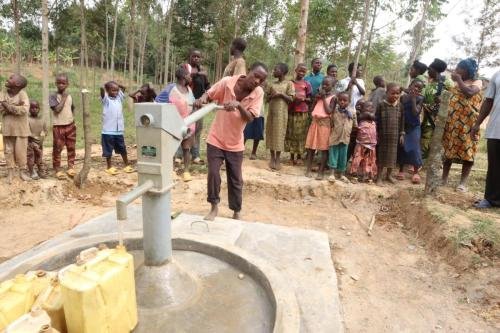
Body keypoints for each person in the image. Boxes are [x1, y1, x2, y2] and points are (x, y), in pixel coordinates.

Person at [195, 62, 268, 221]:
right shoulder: (228, 82)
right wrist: (202, 98)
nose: (257, 81)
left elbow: (249, 118)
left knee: (236, 179)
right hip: (216, 138)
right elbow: (210, 94)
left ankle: (236, 210)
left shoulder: (258, 93)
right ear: (248, 71)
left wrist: (238, 106)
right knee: (213, 174)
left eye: (261, 80)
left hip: (235, 143)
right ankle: (214, 207)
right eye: (256, 76)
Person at [442, 58, 483, 192]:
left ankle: (463, 183)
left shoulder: (477, 82)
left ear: (466, 70)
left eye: (459, 68)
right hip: (453, 123)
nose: (456, 70)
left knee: (468, 152)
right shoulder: (457, 84)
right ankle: (444, 179)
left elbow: (469, 93)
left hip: (469, 125)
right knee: (449, 151)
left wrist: (458, 80)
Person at [471, 70, 500, 208]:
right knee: (494, 166)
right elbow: (488, 101)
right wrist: (477, 124)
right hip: (496, 127)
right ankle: (491, 199)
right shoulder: (497, 75)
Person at [0, 74, 30, 183]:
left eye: (11, 78)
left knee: (21, 151)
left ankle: (22, 171)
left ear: (17, 84)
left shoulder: (23, 94)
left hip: (21, 129)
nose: (7, 78)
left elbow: (24, 110)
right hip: (8, 128)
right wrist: (14, 107)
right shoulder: (3, 93)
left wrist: (7, 106)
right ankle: (10, 172)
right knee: (8, 151)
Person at [305, 76, 336, 180]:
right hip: (315, 123)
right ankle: (308, 169)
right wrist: (316, 99)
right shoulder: (319, 96)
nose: (324, 86)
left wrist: (323, 99)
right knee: (311, 148)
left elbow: (329, 111)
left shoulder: (333, 97)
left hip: (324, 125)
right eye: (323, 84)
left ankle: (321, 172)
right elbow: (311, 109)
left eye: (327, 84)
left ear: (332, 86)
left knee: (324, 149)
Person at [100, 81, 134, 175]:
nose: (115, 92)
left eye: (117, 90)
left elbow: (124, 87)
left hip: (119, 131)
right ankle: (109, 167)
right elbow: (102, 92)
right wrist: (104, 87)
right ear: (108, 90)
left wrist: (117, 85)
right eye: (113, 90)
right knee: (108, 150)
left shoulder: (119, 98)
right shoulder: (106, 100)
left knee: (122, 148)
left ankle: (127, 165)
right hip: (108, 131)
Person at [265, 63, 295, 170]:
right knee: (271, 133)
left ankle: (278, 158)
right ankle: (272, 157)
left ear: (282, 72)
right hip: (272, 112)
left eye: (276, 69)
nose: (273, 71)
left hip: (282, 114)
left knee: (279, 134)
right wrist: (272, 96)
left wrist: (281, 95)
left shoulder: (289, 84)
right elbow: (267, 99)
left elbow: (291, 99)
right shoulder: (271, 83)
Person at [183, 49, 211, 164]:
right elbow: (183, 80)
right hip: (184, 105)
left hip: (198, 106)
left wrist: (205, 97)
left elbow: (208, 87)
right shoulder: (184, 68)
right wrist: (198, 74)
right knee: (183, 130)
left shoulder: (203, 73)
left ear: (201, 59)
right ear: (190, 57)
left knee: (197, 130)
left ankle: (195, 155)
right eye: (194, 56)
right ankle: (180, 155)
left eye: (198, 57)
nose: (196, 58)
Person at [169, 67, 196, 182]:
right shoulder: (173, 89)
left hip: (189, 124)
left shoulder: (189, 89)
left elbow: (193, 103)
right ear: (184, 76)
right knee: (172, 149)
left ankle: (186, 171)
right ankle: (171, 170)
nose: (191, 77)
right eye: (189, 75)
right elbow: (168, 106)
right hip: (175, 123)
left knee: (186, 149)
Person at [421, 58, 451, 159]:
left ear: (436, 70)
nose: (428, 71)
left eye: (430, 69)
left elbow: (454, 96)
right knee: (425, 139)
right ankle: (423, 162)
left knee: (437, 140)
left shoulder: (447, 82)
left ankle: (434, 161)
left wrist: (442, 99)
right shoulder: (430, 82)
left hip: (440, 117)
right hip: (427, 116)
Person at [396, 78, 425, 184]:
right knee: (402, 146)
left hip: (414, 126)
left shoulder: (421, 98)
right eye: (415, 86)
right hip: (404, 125)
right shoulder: (403, 97)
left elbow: (415, 112)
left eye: (419, 88)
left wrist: (413, 99)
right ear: (411, 85)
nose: (416, 88)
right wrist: (402, 130)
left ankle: (416, 172)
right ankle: (401, 170)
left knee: (414, 147)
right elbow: (402, 113)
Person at [49, 73, 76, 180]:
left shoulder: (70, 96)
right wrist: (64, 98)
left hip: (70, 125)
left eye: (63, 83)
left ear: (67, 84)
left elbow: (72, 107)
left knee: (71, 147)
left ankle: (71, 166)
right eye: (59, 83)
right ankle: (57, 168)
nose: (61, 85)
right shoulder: (52, 96)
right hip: (58, 127)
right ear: (55, 84)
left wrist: (73, 120)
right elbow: (57, 109)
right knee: (57, 148)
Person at [375, 82, 404, 185]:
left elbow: (402, 121)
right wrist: (376, 134)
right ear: (387, 93)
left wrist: (402, 134)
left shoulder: (400, 106)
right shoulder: (381, 105)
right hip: (383, 135)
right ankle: (379, 177)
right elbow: (376, 120)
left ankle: (389, 175)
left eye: (397, 93)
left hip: (394, 136)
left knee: (392, 156)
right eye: (393, 93)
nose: (395, 96)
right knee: (381, 156)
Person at [327, 92, 357, 183]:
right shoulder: (334, 111)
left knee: (343, 157)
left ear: (349, 101)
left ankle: (342, 175)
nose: (342, 102)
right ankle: (332, 174)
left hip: (345, 138)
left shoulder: (352, 113)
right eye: (340, 100)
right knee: (333, 155)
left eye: (345, 100)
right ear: (337, 101)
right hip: (335, 137)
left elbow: (355, 125)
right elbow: (331, 123)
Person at [285, 63, 312, 165]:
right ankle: (291, 157)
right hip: (291, 111)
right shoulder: (290, 83)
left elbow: (310, 98)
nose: (301, 73)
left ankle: (299, 156)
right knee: (291, 133)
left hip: (302, 112)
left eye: (304, 71)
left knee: (300, 135)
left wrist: (303, 99)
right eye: (300, 70)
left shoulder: (307, 84)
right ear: (295, 70)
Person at [349, 104, 377, 182]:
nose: (369, 109)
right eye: (367, 107)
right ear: (362, 109)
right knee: (357, 160)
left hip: (371, 146)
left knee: (369, 161)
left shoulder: (374, 121)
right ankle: (354, 176)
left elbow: (373, 117)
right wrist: (363, 113)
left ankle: (367, 176)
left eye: (371, 107)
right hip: (361, 145)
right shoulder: (360, 119)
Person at [27, 101, 47, 180]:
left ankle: (40, 169)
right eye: (32, 108)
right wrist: (34, 140)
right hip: (30, 142)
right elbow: (27, 132)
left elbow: (45, 130)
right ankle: (31, 170)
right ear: (29, 109)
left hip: (40, 142)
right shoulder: (27, 119)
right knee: (31, 157)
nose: (34, 109)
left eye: (36, 108)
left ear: (39, 109)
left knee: (39, 156)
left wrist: (43, 135)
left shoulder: (42, 119)